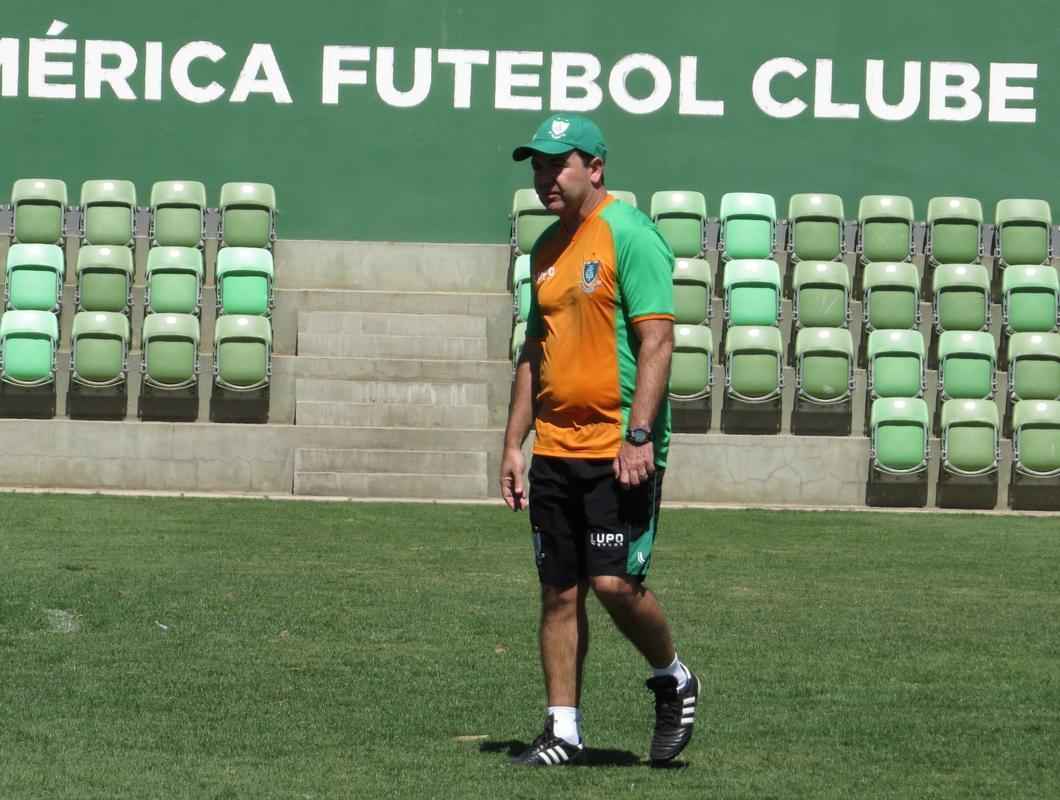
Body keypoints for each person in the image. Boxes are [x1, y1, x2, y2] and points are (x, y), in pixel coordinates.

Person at [500, 113, 699, 767]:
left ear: (596, 167)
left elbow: (658, 342)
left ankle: (673, 678)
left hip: (620, 448)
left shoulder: (631, 236)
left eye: (559, 163)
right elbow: (536, 351)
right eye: (537, 165)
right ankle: (563, 731)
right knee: (559, 591)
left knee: (613, 585)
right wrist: (513, 444)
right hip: (555, 448)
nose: (545, 176)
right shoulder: (545, 251)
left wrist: (638, 435)